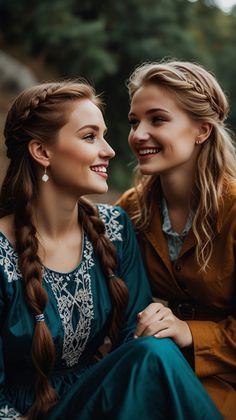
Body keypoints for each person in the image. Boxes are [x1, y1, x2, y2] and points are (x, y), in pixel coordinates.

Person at [0, 81, 222, 420]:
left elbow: (135, 340)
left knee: (154, 348)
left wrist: (161, 321)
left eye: (104, 135)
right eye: (90, 137)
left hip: (105, 401)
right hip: (27, 413)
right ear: (42, 152)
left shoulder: (114, 226)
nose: (110, 150)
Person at [117, 60, 236, 419]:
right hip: (154, 365)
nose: (138, 135)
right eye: (134, 121)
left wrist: (189, 332)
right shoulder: (132, 208)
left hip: (225, 379)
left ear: (201, 130)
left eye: (158, 120)